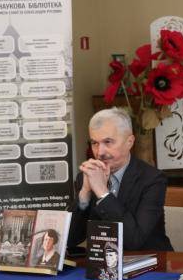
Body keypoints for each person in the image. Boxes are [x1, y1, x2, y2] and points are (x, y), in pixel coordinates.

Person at [68, 108, 173, 252]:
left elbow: (134, 241)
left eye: (108, 142)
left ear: (129, 142)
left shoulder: (152, 179)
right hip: (103, 261)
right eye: (94, 143)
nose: (100, 152)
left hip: (150, 260)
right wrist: (84, 193)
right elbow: (70, 239)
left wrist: (102, 193)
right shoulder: (87, 177)